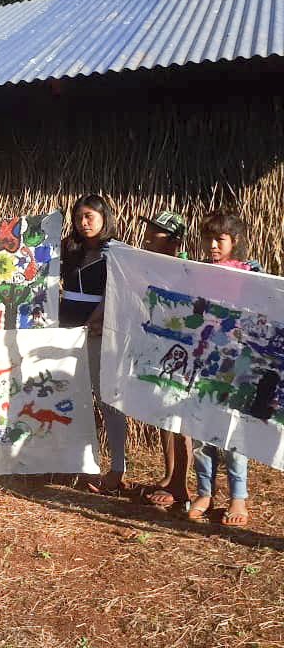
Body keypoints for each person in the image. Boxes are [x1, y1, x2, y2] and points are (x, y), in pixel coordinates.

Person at [186, 209, 259, 527]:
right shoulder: (197, 272)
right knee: (201, 430)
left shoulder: (252, 274)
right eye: (208, 239)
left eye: (220, 239)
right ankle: (204, 492)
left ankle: (238, 496)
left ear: (235, 240)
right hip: (201, 360)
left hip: (237, 363)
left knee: (233, 430)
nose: (213, 245)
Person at [59, 194, 128, 495]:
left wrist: (95, 320)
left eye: (89, 216)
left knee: (107, 399)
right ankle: (76, 463)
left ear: (104, 218)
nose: (83, 222)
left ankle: (118, 467)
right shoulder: (69, 250)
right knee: (72, 397)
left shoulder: (115, 252)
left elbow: (116, 291)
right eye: (78, 217)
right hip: (67, 334)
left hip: (98, 333)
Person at [136, 211, 193, 511]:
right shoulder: (152, 268)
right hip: (160, 349)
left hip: (181, 353)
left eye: (155, 232)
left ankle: (181, 484)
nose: (147, 237)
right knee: (163, 415)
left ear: (174, 241)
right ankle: (170, 475)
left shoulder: (185, 270)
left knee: (179, 417)